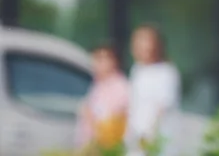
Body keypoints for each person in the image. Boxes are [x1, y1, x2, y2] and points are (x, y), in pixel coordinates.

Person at [125, 25, 181, 156]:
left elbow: (163, 107)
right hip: (137, 138)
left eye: (145, 41)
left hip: (158, 139)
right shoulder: (137, 70)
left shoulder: (166, 72)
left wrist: (149, 135)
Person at [76, 44, 129, 150]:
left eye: (101, 59)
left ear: (114, 61)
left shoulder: (121, 88)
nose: (96, 63)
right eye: (95, 58)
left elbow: (115, 121)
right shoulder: (97, 85)